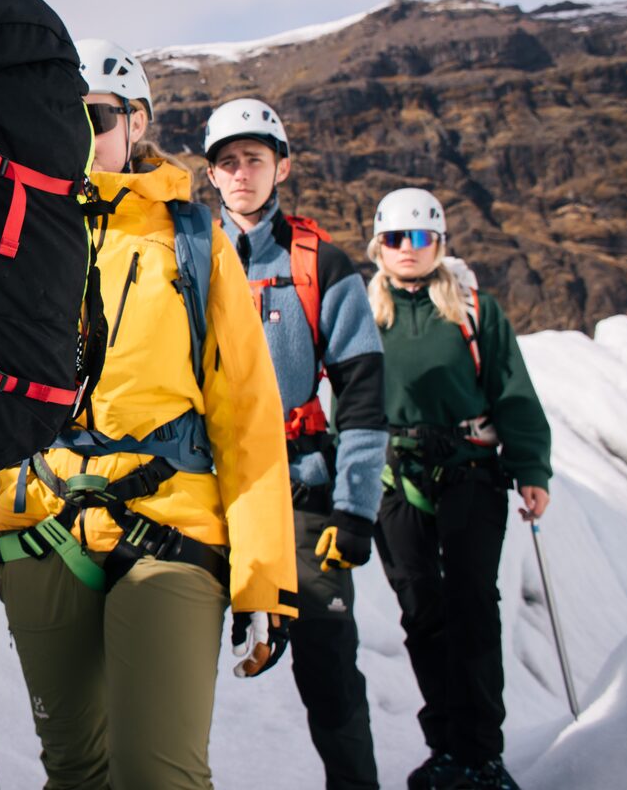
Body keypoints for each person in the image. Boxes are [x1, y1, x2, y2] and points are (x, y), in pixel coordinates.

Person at [0, 39, 298, 789]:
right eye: (62, 118)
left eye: (98, 118)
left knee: (159, 775)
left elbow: (246, 414)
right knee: (75, 770)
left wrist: (263, 578)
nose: (80, 136)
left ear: (136, 123)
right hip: (38, 523)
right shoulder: (14, 235)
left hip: (173, 523)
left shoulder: (194, 240)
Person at [205, 98, 387, 789]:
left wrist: (357, 509)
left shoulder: (323, 264)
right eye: (227, 162)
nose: (241, 173)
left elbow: (364, 391)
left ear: (281, 165)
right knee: (172, 665)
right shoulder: (191, 257)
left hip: (303, 493)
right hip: (208, 493)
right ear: (212, 177)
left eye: (253, 158)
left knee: (330, 673)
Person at [367, 188, 552, 790]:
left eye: (420, 238)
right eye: (396, 239)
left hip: (470, 469)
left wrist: (532, 470)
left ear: (440, 244)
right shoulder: (365, 310)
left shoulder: (473, 308)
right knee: (422, 613)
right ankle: (446, 747)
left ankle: (481, 754)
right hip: (398, 475)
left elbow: (511, 387)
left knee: (473, 607)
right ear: (379, 246)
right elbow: (346, 393)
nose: (408, 250)